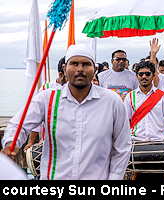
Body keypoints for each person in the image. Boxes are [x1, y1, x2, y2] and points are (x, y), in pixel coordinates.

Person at [2, 44, 131, 180]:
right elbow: (19, 124)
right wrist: (12, 142)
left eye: (86, 64)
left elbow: (122, 147)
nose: (80, 69)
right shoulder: (47, 98)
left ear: (95, 69)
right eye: (74, 64)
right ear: (64, 68)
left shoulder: (112, 101)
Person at [124, 60, 164, 180]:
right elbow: (125, 122)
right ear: (137, 76)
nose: (144, 76)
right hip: (136, 144)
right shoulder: (130, 97)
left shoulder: (162, 96)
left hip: (158, 144)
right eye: (141, 74)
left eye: (147, 74)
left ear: (153, 76)